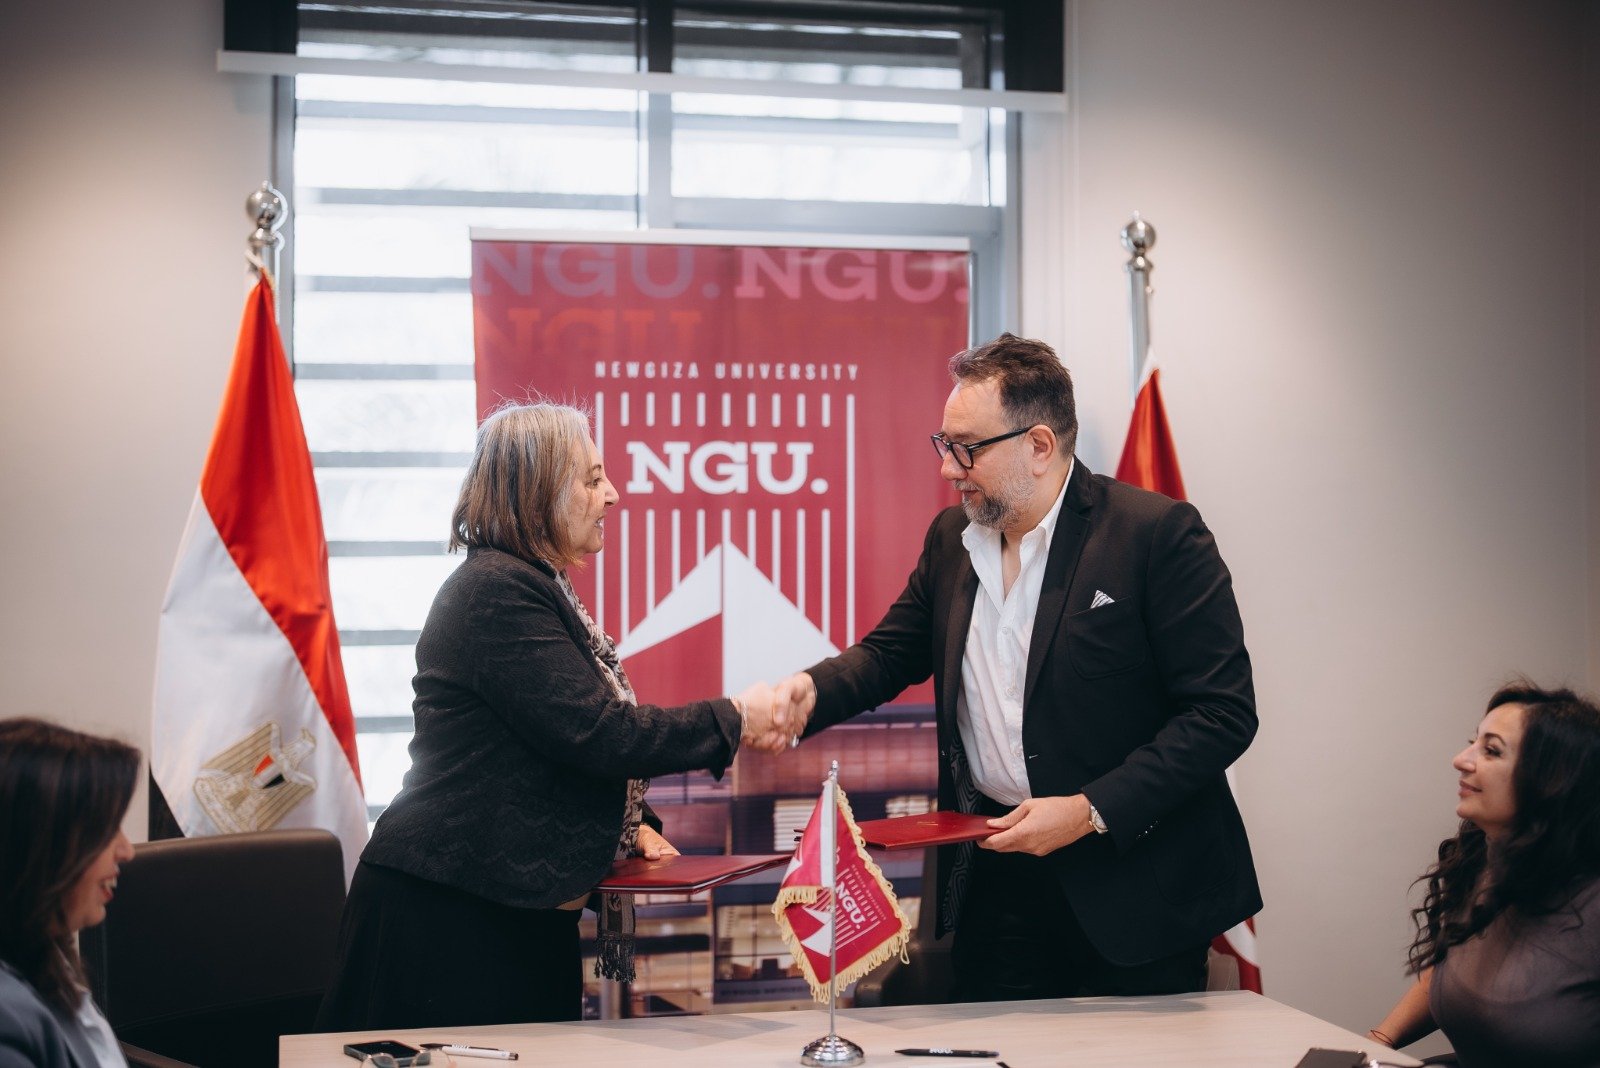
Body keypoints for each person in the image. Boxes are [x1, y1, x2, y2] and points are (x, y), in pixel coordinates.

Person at [762, 333, 1260, 1001]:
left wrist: (1088, 811)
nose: (949, 468)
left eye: (967, 448)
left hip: (1132, 881)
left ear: (1040, 446)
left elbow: (1221, 713)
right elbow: (887, 654)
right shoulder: (951, 541)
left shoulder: (1155, 536)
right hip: (996, 874)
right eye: (944, 445)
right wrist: (806, 693)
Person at [317, 401, 778, 1031]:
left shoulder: (534, 583)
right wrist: (735, 718)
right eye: (592, 479)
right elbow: (598, 733)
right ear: (536, 492)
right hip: (450, 918)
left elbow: (543, 747)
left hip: (509, 911)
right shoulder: (495, 591)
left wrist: (630, 827)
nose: (612, 495)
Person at [1367, 682, 1600, 1066]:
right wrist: (1378, 1042)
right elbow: (1458, 965)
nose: (1460, 759)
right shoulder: (1482, 855)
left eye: (1491, 750)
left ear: (1552, 779)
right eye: (1472, 743)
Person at [0, 718, 140, 1068]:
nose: (127, 851)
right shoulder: (7, 1021)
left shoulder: (45, 956)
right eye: (108, 829)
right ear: (40, 845)